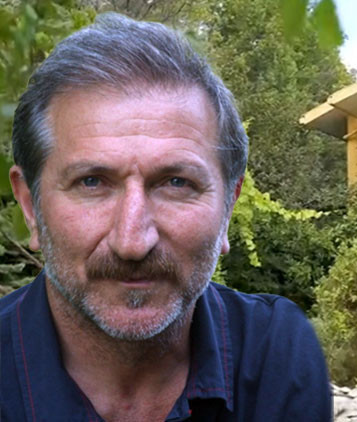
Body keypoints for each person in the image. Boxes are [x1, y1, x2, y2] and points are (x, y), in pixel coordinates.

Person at [1, 13, 332, 422]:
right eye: (91, 182)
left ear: (228, 207)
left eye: (176, 182)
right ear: (30, 207)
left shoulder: (277, 355)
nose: (133, 242)